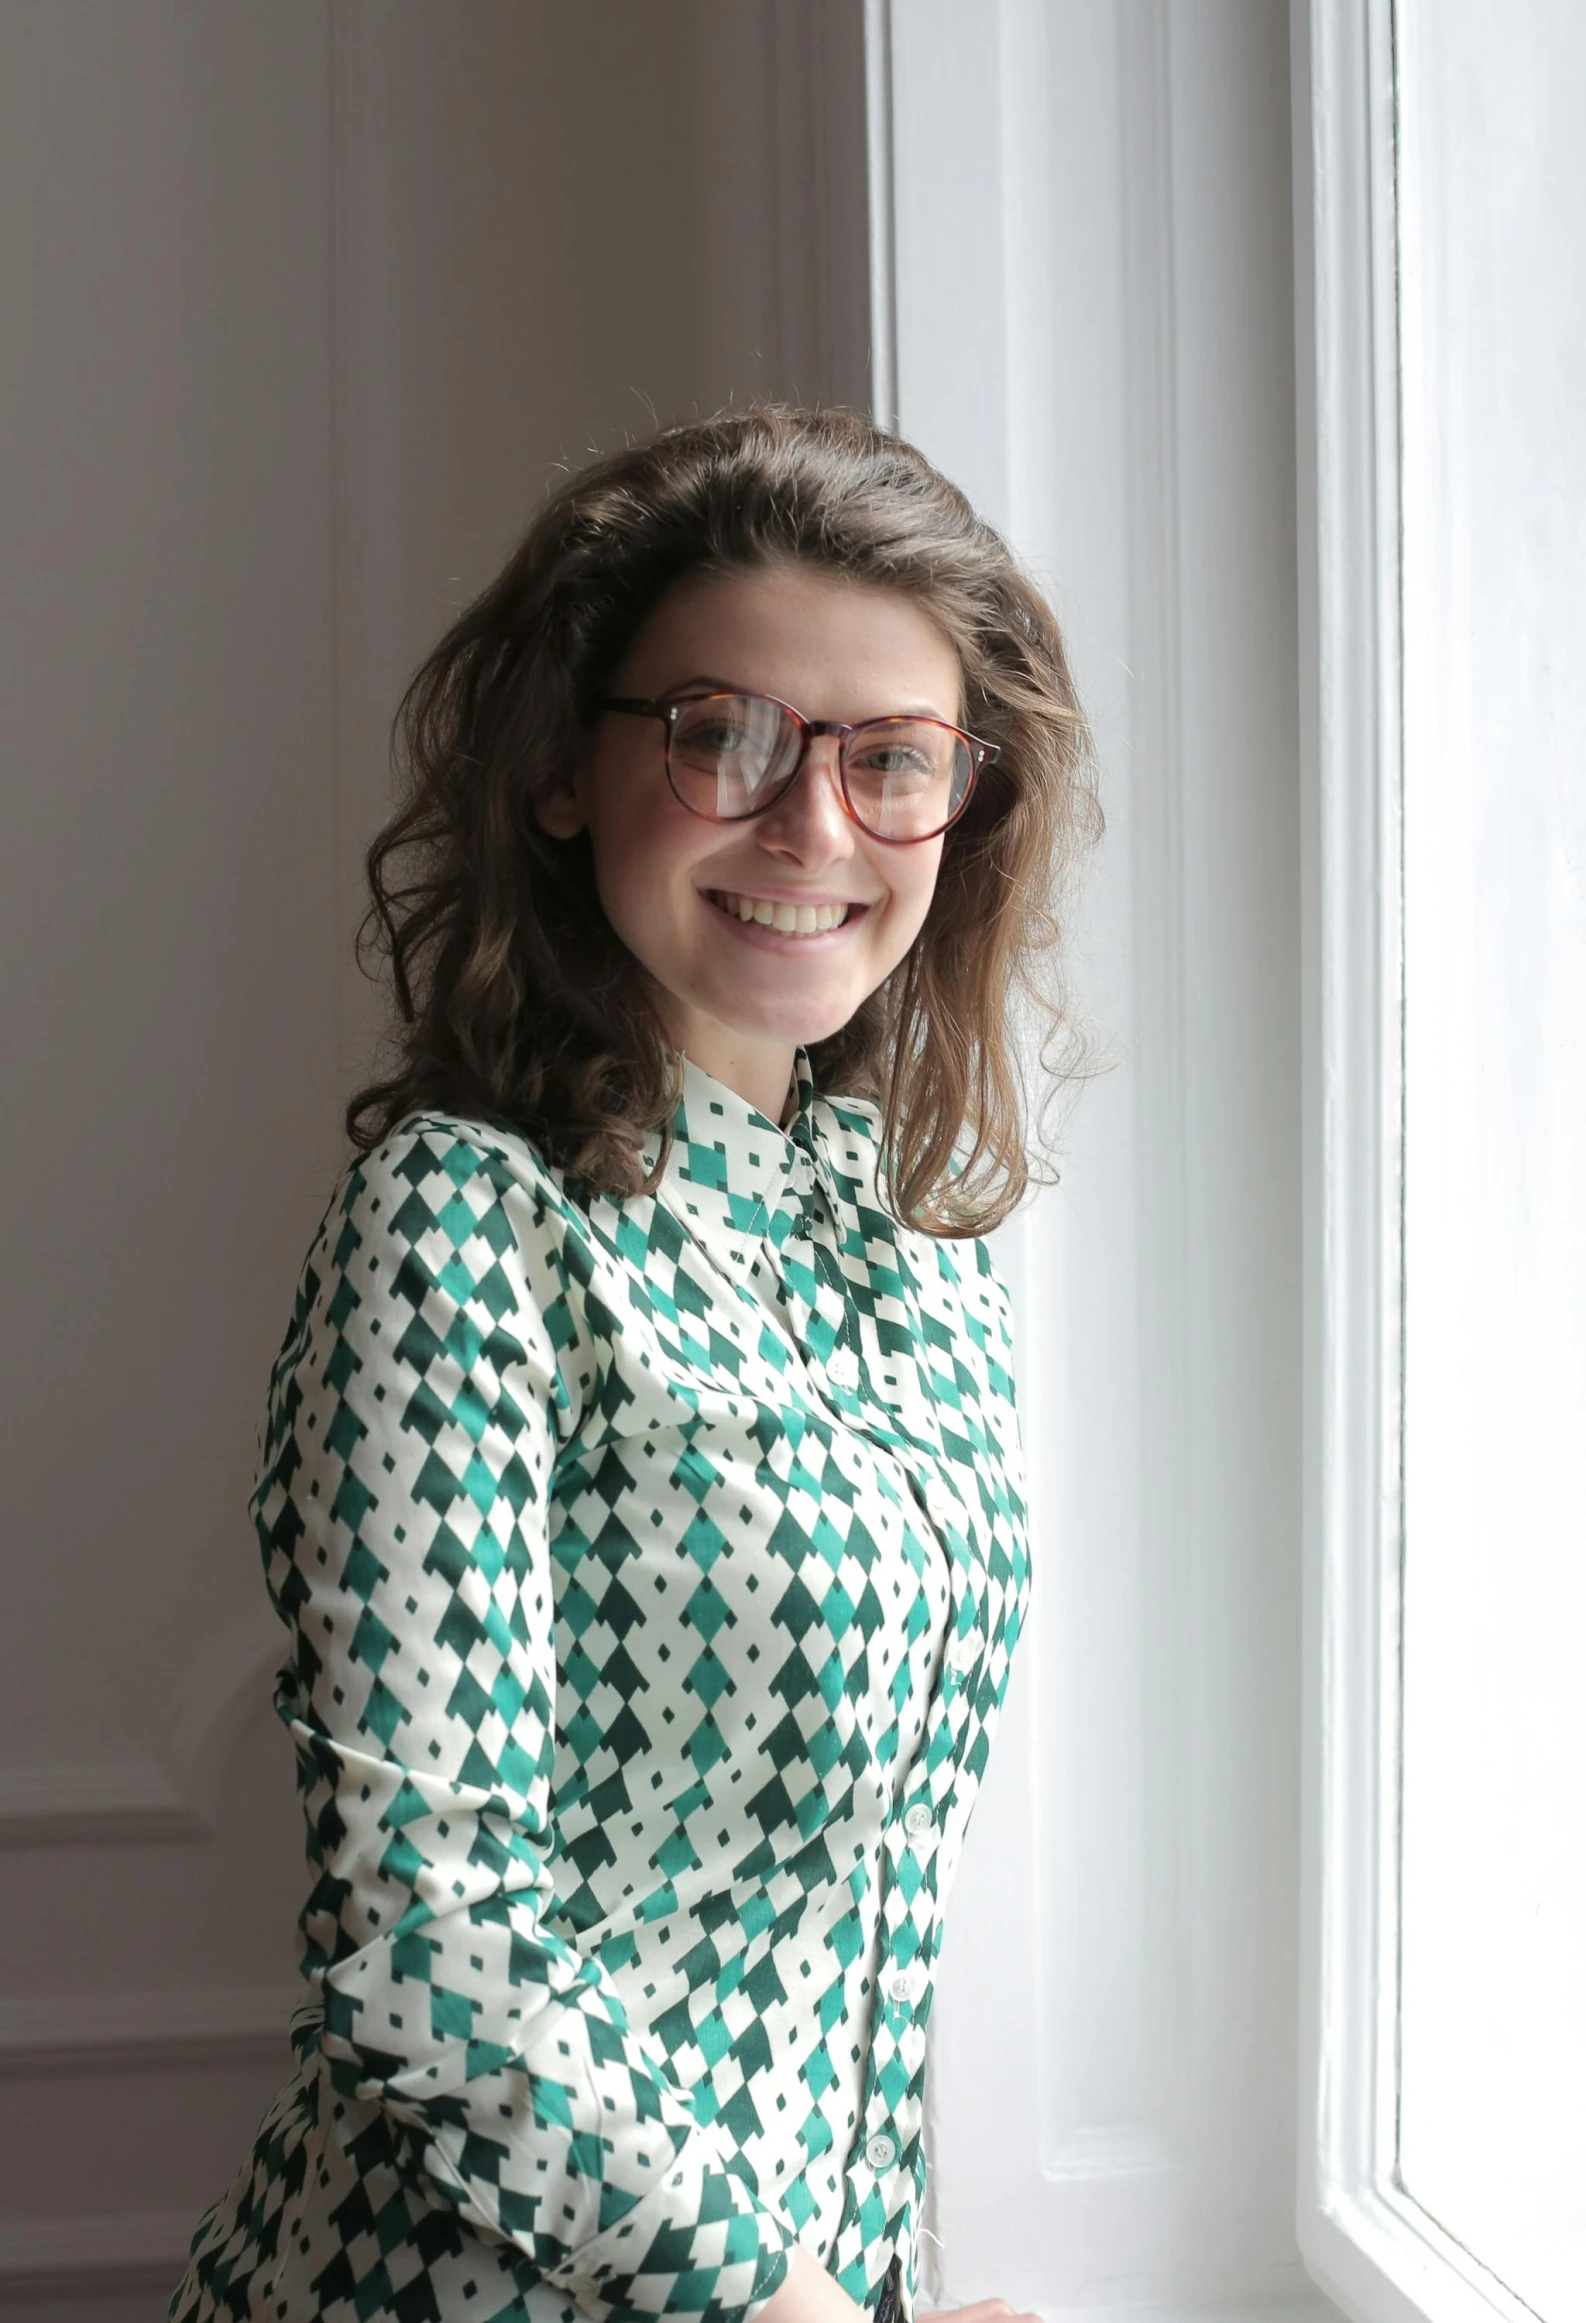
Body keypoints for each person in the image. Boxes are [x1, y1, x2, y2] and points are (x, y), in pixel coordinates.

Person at [168, 405, 1098, 2323]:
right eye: (724, 732)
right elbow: (433, 1946)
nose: (812, 827)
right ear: (567, 772)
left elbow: (835, 1912)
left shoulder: (923, 1249)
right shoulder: (460, 1226)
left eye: (890, 760)